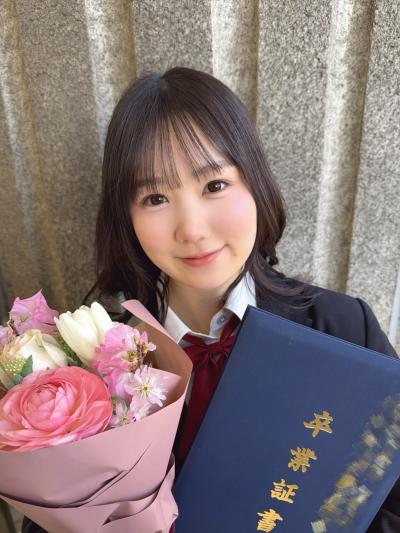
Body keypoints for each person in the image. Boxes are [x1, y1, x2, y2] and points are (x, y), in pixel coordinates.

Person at [22, 67, 399, 532]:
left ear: (254, 182)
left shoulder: (343, 326)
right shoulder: (90, 367)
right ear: (126, 217)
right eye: (155, 198)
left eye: (214, 186)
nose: (193, 229)